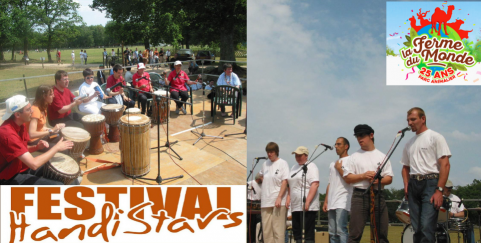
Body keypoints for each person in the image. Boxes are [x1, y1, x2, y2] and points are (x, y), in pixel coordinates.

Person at [0, 95, 77, 185]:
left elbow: (22, 149)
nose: (32, 111)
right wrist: (57, 148)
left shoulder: (21, 125)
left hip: (22, 167)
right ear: (17, 114)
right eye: (28, 109)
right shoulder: (7, 134)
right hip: (9, 177)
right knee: (57, 185)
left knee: (65, 171)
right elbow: (34, 164)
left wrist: (36, 147)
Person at [401, 107, 451, 243]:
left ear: (423, 119)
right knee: (416, 228)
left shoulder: (435, 137)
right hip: (413, 184)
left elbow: (445, 165)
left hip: (430, 183)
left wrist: (439, 190)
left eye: (413, 119)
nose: (409, 123)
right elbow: (405, 167)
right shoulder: (409, 143)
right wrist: (406, 184)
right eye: (408, 120)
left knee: (426, 227)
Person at [341, 124, 394, 243]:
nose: (359, 139)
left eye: (362, 136)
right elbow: (348, 178)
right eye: (357, 136)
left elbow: (389, 178)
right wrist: (363, 175)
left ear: (371, 135)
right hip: (359, 196)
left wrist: (377, 181)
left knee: (382, 235)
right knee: (355, 234)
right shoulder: (353, 157)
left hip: (378, 195)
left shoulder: (382, 156)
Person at [287, 146, 320, 243]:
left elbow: (315, 184)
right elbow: (290, 184)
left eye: (299, 155)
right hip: (295, 205)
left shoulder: (311, 166)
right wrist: (288, 198)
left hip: (307, 206)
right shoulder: (294, 167)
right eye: (296, 155)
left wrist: (307, 201)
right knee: (296, 232)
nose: (297, 157)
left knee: (308, 234)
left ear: (306, 155)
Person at [259, 142, 289, 243]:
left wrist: (279, 197)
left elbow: (285, 181)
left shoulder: (283, 163)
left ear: (276, 152)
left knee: (278, 231)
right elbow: (260, 176)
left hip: (278, 201)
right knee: (267, 232)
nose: (269, 154)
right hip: (265, 201)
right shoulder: (265, 164)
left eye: (271, 152)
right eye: (268, 152)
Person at [324, 137, 353, 243]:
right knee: (332, 232)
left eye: (339, 144)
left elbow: (350, 179)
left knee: (341, 230)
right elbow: (330, 183)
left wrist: (340, 168)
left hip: (343, 200)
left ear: (346, 146)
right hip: (332, 201)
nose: (336, 146)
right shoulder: (333, 163)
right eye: (335, 144)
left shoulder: (351, 160)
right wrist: (326, 201)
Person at [26, 85, 65, 151]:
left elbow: (41, 127)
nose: (53, 96)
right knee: (62, 147)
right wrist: (51, 131)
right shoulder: (35, 110)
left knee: (62, 138)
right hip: (34, 141)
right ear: (44, 96)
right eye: (51, 94)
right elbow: (31, 134)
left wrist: (54, 129)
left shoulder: (43, 107)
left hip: (42, 137)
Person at [247, 173, 263, 243]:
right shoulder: (250, 183)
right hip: (251, 204)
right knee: (251, 225)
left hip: (259, 205)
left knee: (258, 224)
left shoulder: (263, 185)